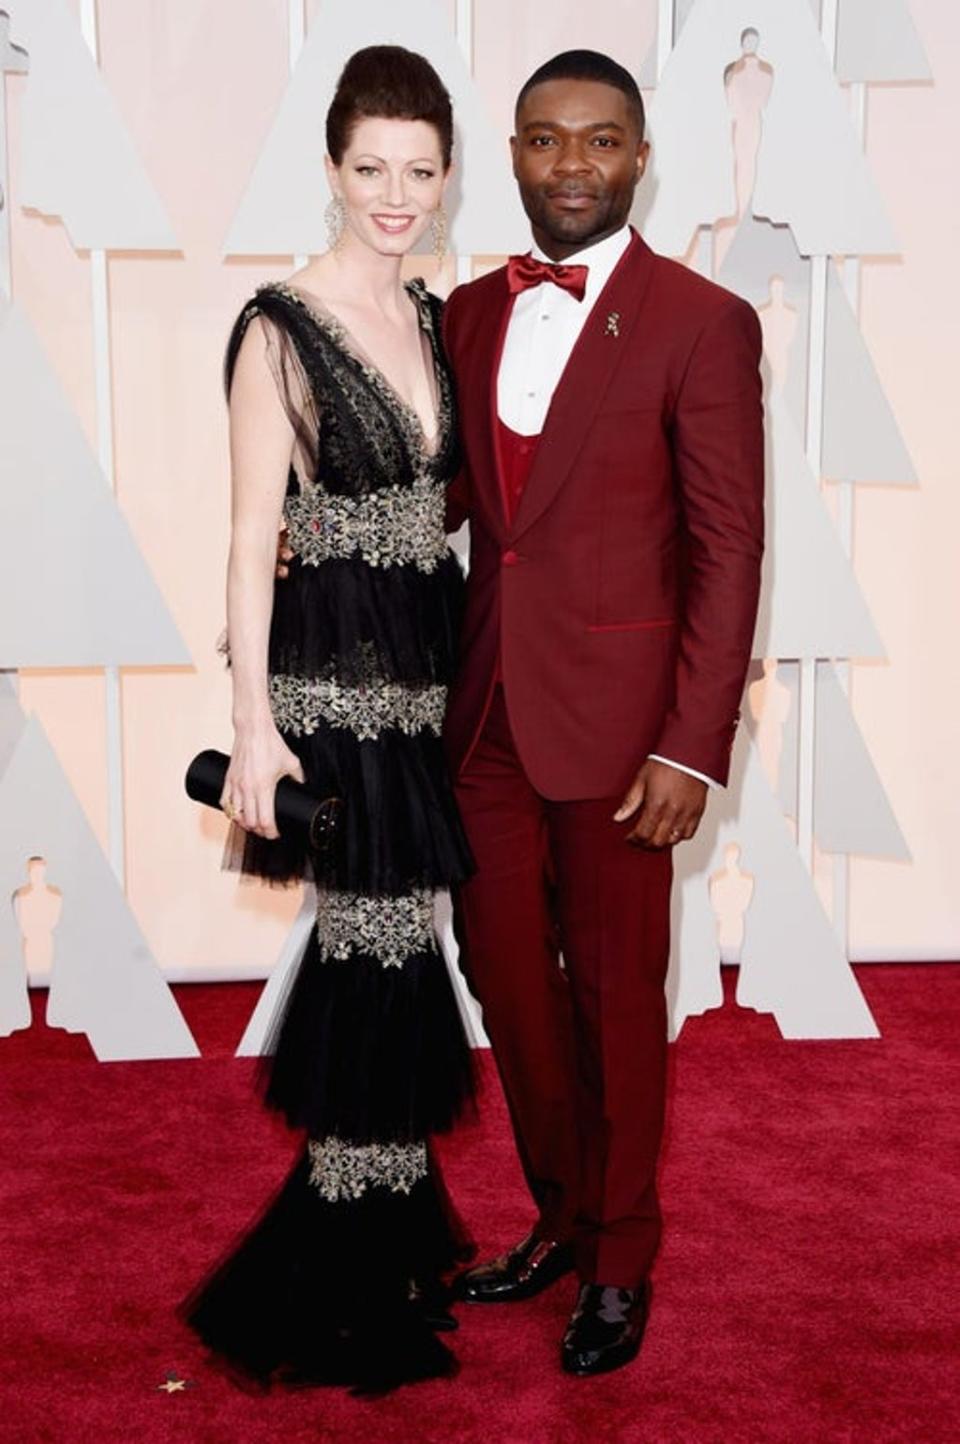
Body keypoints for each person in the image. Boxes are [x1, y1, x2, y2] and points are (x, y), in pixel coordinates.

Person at [441, 51, 765, 1376]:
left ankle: (621, 1258)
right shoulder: (465, 313)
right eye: (544, 139)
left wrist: (692, 742)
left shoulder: (698, 320)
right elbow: (463, 505)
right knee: (510, 982)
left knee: (619, 998)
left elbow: (726, 545)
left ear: (639, 158)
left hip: (631, 738)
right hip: (487, 727)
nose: (571, 162)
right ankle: (565, 1217)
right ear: (511, 156)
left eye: (601, 140)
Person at [182, 46, 476, 1393]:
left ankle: (392, 1232)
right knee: (372, 962)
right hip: (329, 700)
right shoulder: (279, 326)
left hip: (422, 688)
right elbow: (250, 535)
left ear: (447, 174)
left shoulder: (429, 316)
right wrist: (254, 730)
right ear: (332, 170)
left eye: (421, 170)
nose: (396, 195)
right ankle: (336, 1277)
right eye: (372, 169)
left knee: (403, 958)